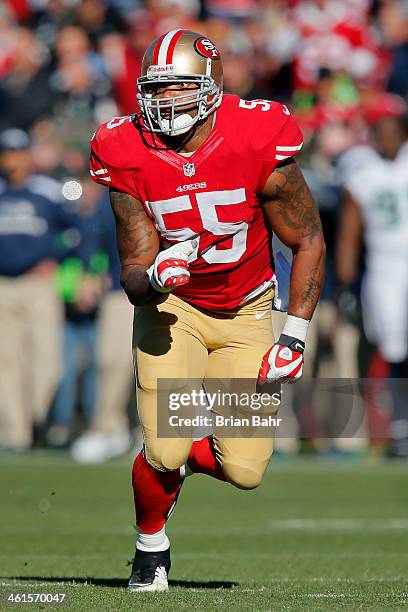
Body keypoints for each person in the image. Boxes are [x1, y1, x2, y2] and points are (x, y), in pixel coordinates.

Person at [90, 29, 325, 592]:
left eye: (179, 89)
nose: (165, 103)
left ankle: (171, 465)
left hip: (246, 310)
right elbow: (132, 266)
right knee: (165, 446)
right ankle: (151, 546)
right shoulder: (124, 147)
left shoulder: (257, 135)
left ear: (212, 88)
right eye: (156, 90)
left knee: (245, 470)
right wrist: (151, 278)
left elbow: (308, 237)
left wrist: (293, 335)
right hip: (175, 310)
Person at [0, 128, 79, 450]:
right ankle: (15, 434)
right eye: (7, 152)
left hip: (39, 284)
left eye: (18, 152)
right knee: (7, 360)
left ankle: (38, 418)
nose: (12, 159)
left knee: (48, 361)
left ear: (28, 155)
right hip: (4, 285)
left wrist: (55, 258)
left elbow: (74, 232)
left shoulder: (48, 191)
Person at [337, 113, 408, 458]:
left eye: (392, 132)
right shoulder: (363, 176)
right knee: (394, 348)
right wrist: (347, 285)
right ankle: (401, 429)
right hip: (385, 265)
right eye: (380, 133)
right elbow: (350, 235)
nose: (386, 140)